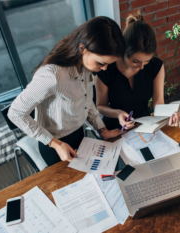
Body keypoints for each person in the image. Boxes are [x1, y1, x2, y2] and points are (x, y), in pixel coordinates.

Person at [8, 17, 126, 166]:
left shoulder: (85, 67)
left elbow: (86, 102)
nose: (104, 69)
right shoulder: (52, 75)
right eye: (101, 63)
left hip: (79, 136)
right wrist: (56, 144)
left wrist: (103, 131)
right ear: (83, 49)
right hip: (55, 146)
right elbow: (15, 112)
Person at [96, 12, 180, 131]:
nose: (142, 67)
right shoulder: (106, 69)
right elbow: (101, 106)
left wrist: (169, 116)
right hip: (114, 129)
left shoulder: (155, 66)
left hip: (144, 126)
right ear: (123, 51)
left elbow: (158, 103)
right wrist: (118, 113)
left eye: (146, 61)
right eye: (136, 61)